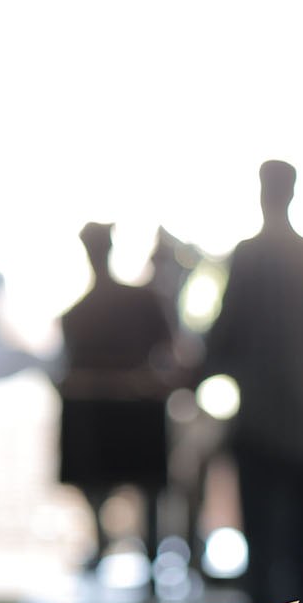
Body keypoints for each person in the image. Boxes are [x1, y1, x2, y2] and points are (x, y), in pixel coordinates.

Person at [199, 160, 303, 603]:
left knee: (266, 550)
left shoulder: (251, 256)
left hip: (266, 428)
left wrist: (195, 372)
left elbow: (224, 339)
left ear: (263, 193)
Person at [55, 222, 176, 571]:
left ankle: (148, 551)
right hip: (108, 413)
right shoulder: (79, 313)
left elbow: (170, 352)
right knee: (105, 479)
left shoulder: (136, 302)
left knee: (145, 484)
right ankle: (116, 544)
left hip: (134, 412)